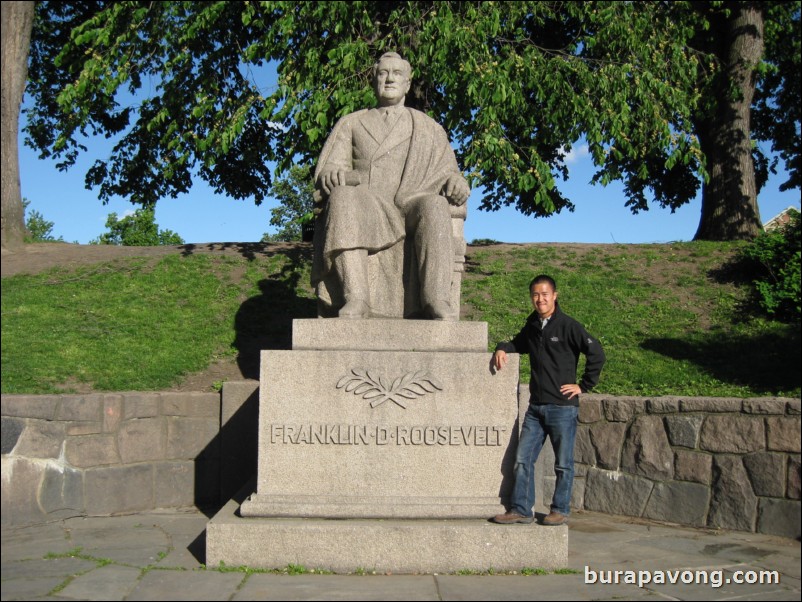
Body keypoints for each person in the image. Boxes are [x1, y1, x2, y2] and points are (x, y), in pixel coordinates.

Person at [311, 52, 470, 320]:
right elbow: (330, 168)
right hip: (367, 204)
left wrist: (457, 182)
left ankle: (435, 298)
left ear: (408, 84)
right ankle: (357, 297)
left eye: (397, 73)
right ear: (373, 81)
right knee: (342, 199)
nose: (389, 79)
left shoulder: (428, 128)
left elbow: (448, 173)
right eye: (383, 73)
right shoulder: (351, 122)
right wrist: (332, 175)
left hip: (410, 202)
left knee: (434, 204)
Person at [492, 275, 606, 526]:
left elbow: (596, 352)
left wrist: (583, 385)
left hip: (562, 408)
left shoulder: (568, 326)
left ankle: (560, 509)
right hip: (536, 408)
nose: (540, 299)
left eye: (545, 294)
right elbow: (516, 344)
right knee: (523, 460)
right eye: (535, 294)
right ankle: (521, 509)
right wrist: (501, 347)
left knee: (563, 464)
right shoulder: (533, 326)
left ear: (554, 295)